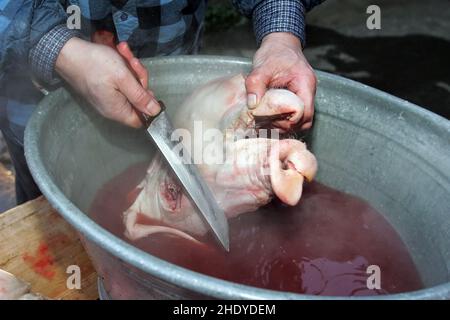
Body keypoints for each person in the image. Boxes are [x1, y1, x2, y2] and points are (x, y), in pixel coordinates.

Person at [0, 0, 324, 204]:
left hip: (178, 100)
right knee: (51, 210)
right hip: (36, 102)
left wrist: (282, 35)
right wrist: (59, 49)